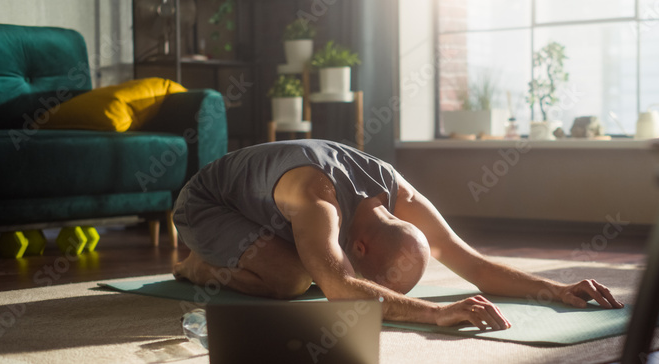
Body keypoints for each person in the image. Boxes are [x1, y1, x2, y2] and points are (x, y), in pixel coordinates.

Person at [172, 139, 623, 330]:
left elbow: (470, 261)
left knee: (308, 265)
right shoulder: (318, 199)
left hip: (269, 206)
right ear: (360, 246)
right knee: (293, 281)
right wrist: (436, 313)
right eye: (380, 284)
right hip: (207, 203)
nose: (379, 295)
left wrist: (555, 288)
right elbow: (340, 287)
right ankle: (196, 266)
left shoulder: (395, 190)